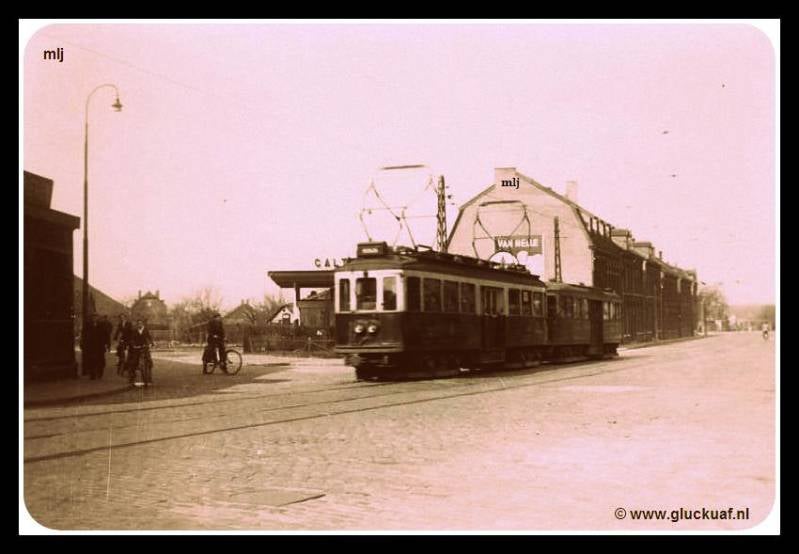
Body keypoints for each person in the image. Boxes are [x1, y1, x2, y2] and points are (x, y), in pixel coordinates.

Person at [127, 319, 154, 386]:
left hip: (145, 347)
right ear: (137, 324)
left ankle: (149, 375)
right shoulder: (135, 331)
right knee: (134, 362)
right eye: (138, 323)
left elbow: (149, 337)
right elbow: (132, 339)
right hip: (137, 347)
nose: (139, 324)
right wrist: (133, 345)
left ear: (143, 324)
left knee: (148, 359)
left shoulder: (145, 330)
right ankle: (132, 377)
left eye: (141, 323)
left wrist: (151, 343)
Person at [81, 313, 107, 380]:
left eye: (96, 317)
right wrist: (83, 343)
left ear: (97, 318)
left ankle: (99, 372)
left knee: (100, 360)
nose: (95, 318)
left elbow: (104, 335)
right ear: (92, 318)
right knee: (91, 360)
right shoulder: (88, 325)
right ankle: (92, 374)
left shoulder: (101, 325)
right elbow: (84, 334)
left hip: (99, 346)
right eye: (93, 317)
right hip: (91, 345)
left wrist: (106, 344)